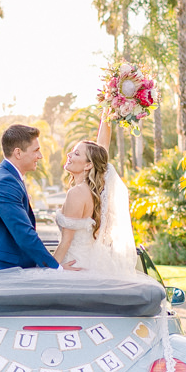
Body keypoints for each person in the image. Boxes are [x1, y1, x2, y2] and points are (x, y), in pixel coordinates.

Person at [0, 124, 62, 276]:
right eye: (36, 150)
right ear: (18, 152)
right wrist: (57, 269)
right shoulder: (4, 182)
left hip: (0, 271)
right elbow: (23, 233)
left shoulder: (7, 177)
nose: (40, 156)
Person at [52, 110, 138, 275]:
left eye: (76, 154)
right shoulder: (97, 191)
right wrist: (107, 110)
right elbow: (102, 149)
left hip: (73, 265)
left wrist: (51, 269)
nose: (69, 155)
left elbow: (66, 242)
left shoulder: (76, 193)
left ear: (88, 165)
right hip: (92, 263)